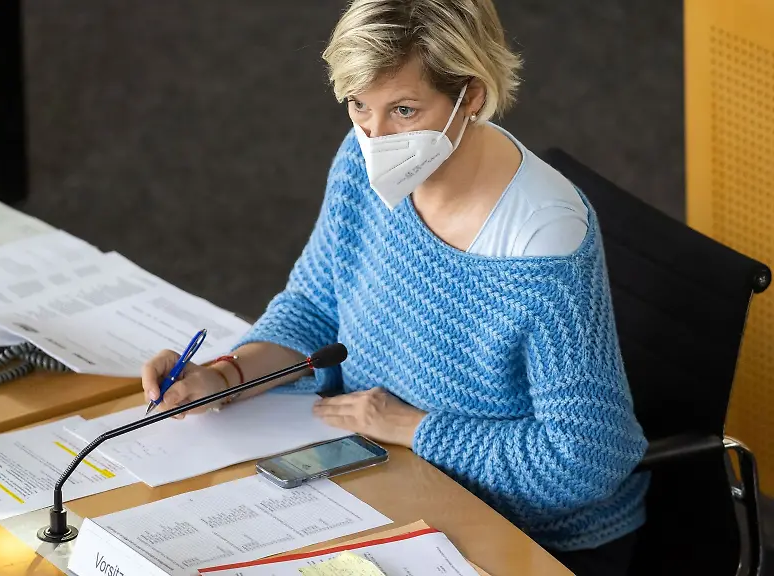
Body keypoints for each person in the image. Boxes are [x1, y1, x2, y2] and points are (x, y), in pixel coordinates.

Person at [140, 1, 648, 574]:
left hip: (528, 534)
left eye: (404, 110)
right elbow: (315, 306)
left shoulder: (541, 238)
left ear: (471, 96)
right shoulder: (364, 160)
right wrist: (224, 379)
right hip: (386, 475)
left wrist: (412, 427)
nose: (376, 137)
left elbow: (584, 460)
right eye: (359, 105)